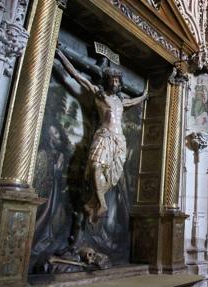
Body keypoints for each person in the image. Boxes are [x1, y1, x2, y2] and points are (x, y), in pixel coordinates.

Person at [56, 48, 148, 224]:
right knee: (95, 166)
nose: (115, 82)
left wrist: (145, 95)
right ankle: (102, 204)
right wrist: (60, 54)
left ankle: (92, 204)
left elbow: (136, 100)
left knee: (113, 176)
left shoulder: (121, 101)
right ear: (107, 81)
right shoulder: (99, 94)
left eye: (117, 80)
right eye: (112, 79)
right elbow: (77, 75)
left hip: (119, 139)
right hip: (103, 135)